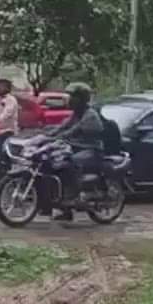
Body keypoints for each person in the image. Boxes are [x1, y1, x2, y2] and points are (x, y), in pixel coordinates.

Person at [47, 82, 105, 222]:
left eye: (73, 97)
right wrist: (47, 135)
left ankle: (75, 194)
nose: (69, 99)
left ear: (82, 99)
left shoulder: (89, 114)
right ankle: (65, 209)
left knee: (71, 162)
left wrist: (60, 136)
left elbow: (75, 130)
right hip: (76, 147)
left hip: (91, 150)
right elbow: (63, 126)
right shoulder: (76, 114)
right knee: (55, 163)